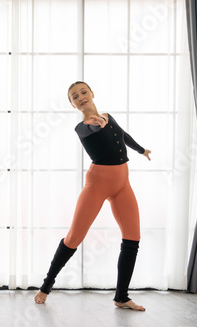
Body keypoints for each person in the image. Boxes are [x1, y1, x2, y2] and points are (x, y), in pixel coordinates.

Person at [34, 81, 151, 311]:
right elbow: (93, 129)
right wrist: (97, 124)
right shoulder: (82, 127)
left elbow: (122, 135)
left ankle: (121, 297)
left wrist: (141, 150)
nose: (80, 97)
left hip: (122, 185)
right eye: (74, 97)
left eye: (83, 92)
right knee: (73, 239)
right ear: (73, 105)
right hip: (97, 184)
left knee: (133, 238)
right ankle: (46, 286)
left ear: (92, 93)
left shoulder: (108, 115)